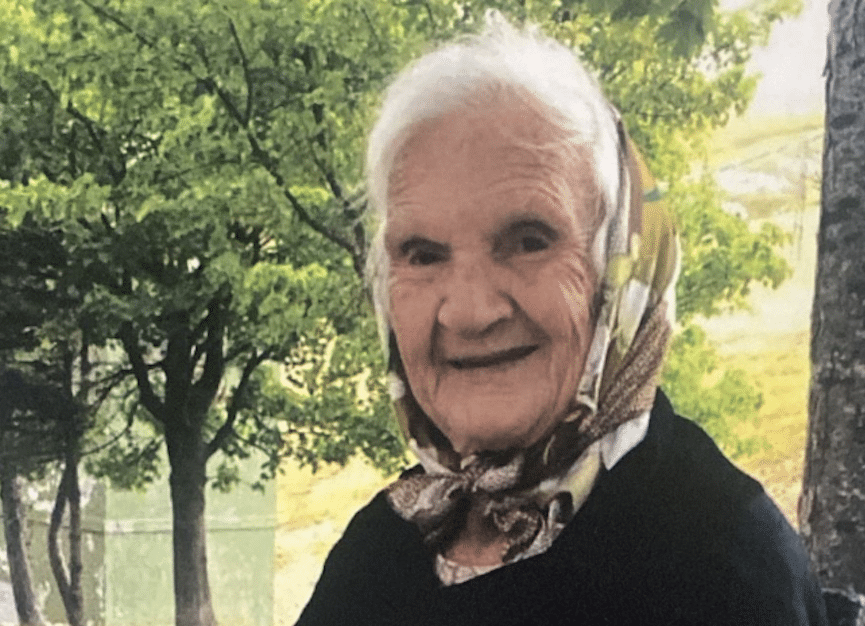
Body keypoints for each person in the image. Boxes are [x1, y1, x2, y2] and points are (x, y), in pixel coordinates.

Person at [295, 13, 829, 626]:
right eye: (423, 255)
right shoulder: (382, 548)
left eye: (529, 241)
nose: (469, 312)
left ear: (623, 271)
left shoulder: (719, 564)